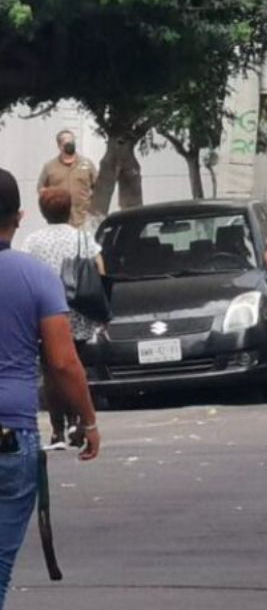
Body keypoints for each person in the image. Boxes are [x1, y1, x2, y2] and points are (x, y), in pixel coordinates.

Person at [0, 168, 100, 607]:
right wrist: (88, 422)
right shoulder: (37, 277)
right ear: (19, 217)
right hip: (10, 432)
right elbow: (62, 362)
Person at [19, 187, 104, 450]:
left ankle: (57, 430)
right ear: (68, 209)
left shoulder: (32, 241)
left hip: (44, 314)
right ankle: (78, 421)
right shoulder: (82, 238)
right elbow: (100, 268)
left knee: (51, 371)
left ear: (43, 212)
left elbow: (25, 272)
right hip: (77, 311)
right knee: (75, 365)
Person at [37, 130, 97, 228]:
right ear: (59, 146)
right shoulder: (49, 167)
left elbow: (98, 189)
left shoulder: (87, 164)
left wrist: (92, 209)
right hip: (58, 223)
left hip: (83, 220)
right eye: (67, 142)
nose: (71, 144)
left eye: (72, 141)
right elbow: (41, 190)